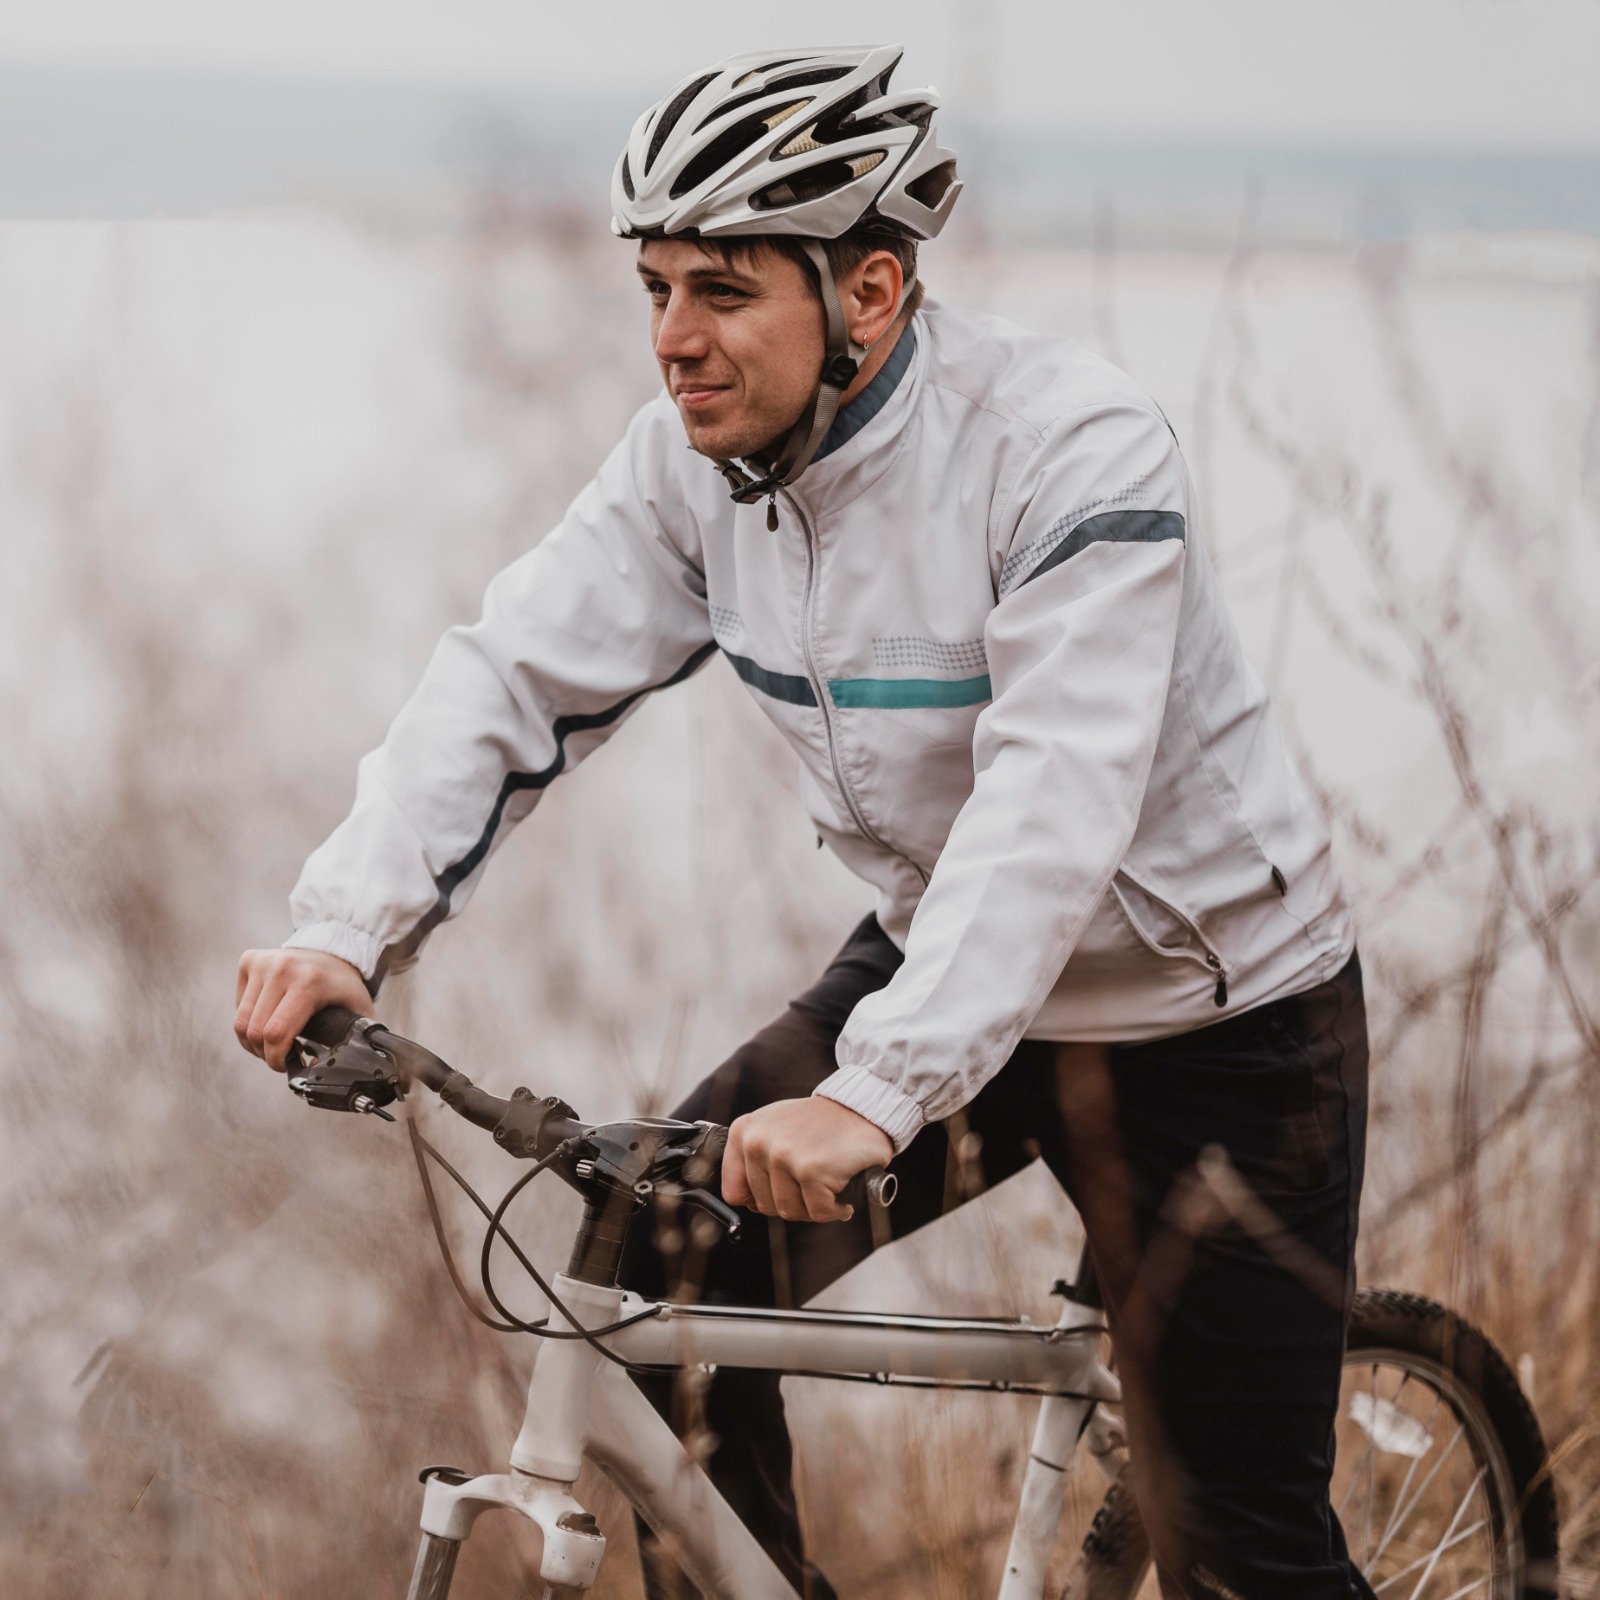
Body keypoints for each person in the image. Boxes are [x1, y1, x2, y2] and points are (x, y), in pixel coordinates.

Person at [235, 44, 1373, 1600]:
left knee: (1241, 1551)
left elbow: (1055, 807)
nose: (673, 340)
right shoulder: (694, 473)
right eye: (654, 288)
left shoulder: (1067, 453)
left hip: (1211, 1018)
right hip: (938, 964)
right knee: (654, 1290)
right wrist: (341, 923)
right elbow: (508, 679)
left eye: (722, 289)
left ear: (873, 293)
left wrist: (876, 1094)